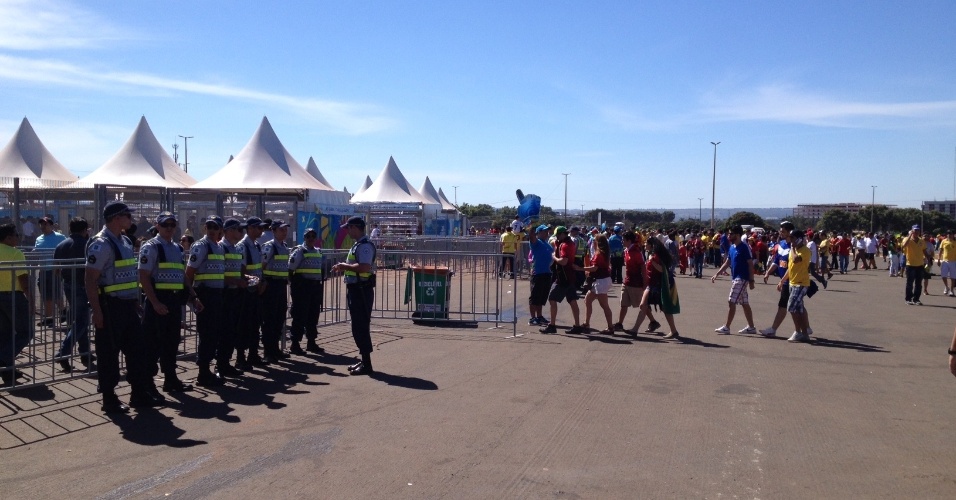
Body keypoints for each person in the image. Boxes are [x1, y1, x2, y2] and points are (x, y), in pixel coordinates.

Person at [86, 201, 161, 412]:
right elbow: (90, 279)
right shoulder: (101, 244)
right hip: (110, 307)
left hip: (127, 306)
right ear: (117, 218)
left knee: (137, 351)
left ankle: (138, 394)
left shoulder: (125, 242)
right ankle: (109, 399)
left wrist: (134, 300)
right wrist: (97, 311)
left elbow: (127, 275)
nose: (131, 219)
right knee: (109, 353)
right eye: (128, 215)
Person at [138, 212, 193, 392]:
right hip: (158, 300)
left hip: (174, 300)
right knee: (152, 345)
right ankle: (148, 384)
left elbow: (182, 276)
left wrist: (193, 297)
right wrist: (154, 302)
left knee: (171, 342)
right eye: (165, 224)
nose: (169, 228)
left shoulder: (177, 248)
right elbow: (143, 276)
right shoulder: (151, 247)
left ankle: (170, 379)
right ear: (157, 226)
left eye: (172, 224)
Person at [184, 215, 226, 387]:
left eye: (215, 227)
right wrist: (193, 297)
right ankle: (203, 372)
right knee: (207, 334)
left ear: (220, 230)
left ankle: (207, 369)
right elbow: (189, 274)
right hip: (205, 294)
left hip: (217, 294)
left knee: (214, 334)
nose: (211, 230)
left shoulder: (218, 247)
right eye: (209, 226)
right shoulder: (201, 246)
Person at [332, 216, 377, 375]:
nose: (347, 231)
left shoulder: (364, 246)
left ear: (356, 228)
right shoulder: (358, 245)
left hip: (361, 290)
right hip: (356, 289)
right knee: (357, 326)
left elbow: (365, 267)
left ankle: (367, 364)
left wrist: (345, 266)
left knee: (361, 327)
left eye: (349, 228)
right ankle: (364, 360)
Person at [53, 217, 94, 372]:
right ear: (84, 230)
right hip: (83, 286)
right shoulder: (87, 245)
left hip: (68, 285)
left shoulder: (61, 245)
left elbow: (56, 269)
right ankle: (63, 352)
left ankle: (85, 354)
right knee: (82, 322)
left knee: (79, 319)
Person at [0, 224, 33, 387]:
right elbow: (23, 279)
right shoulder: (15, 253)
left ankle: (8, 371)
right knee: (26, 331)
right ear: (8, 238)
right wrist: (31, 299)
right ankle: (3, 359)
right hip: (13, 296)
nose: (18, 238)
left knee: (5, 335)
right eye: (16, 235)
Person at [235, 217, 268, 368]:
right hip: (246, 291)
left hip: (256, 290)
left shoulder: (256, 245)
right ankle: (240, 358)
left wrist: (262, 282)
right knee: (244, 325)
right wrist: (253, 282)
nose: (261, 231)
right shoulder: (243, 246)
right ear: (249, 229)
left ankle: (253, 355)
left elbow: (259, 267)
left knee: (255, 323)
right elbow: (241, 270)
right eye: (258, 228)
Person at [711, 225, 756, 334]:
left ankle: (727, 327)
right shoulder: (732, 247)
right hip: (735, 278)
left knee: (731, 301)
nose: (729, 235)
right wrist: (717, 273)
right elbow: (727, 262)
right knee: (745, 303)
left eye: (731, 234)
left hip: (742, 279)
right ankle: (751, 327)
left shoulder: (744, 247)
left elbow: (750, 264)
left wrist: (751, 280)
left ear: (738, 235)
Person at [539, 226, 584, 334]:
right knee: (572, 300)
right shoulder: (569, 243)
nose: (557, 238)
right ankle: (577, 325)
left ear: (563, 234)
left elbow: (563, 261)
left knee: (552, 298)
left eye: (558, 236)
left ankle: (552, 325)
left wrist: (554, 256)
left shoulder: (565, 245)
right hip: (570, 276)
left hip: (563, 278)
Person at [217, 218, 248, 376]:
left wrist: (245, 279)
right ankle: (221, 364)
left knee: (232, 330)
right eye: (237, 229)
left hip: (235, 292)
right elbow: (217, 274)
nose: (240, 232)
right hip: (225, 293)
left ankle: (226, 362)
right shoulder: (221, 248)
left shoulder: (236, 248)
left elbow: (237, 270)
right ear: (229, 230)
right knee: (225, 330)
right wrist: (236, 281)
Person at [288, 227, 325, 355]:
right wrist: (295, 285)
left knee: (313, 316)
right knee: (299, 316)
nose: (311, 239)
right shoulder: (300, 251)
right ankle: (295, 344)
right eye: (308, 236)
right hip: (302, 288)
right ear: (304, 238)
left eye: (313, 236)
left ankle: (311, 342)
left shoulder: (318, 251)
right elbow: (290, 269)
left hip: (315, 287)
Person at [260, 219, 291, 363]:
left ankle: (275, 349)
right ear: (273, 231)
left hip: (281, 286)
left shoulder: (284, 246)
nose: (284, 232)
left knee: (279, 319)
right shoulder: (269, 246)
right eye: (281, 230)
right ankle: (268, 352)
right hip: (271, 286)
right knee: (270, 320)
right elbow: (262, 266)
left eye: (285, 230)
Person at [639, 237, 681, 340]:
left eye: (646, 243)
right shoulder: (651, 255)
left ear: (651, 245)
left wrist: (652, 261)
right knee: (644, 305)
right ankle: (654, 322)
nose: (644, 245)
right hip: (652, 285)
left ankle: (673, 330)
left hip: (659, 286)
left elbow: (663, 269)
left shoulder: (655, 256)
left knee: (664, 308)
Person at [778, 230, 813, 343]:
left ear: (799, 239)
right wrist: (782, 280)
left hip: (801, 284)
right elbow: (790, 267)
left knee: (791, 307)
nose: (791, 240)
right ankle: (805, 334)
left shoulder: (805, 250)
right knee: (799, 309)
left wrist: (793, 248)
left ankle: (798, 332)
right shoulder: (793, 251)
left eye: (792, 238)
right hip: (792, 282)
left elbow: (796, 260)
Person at [579, 233, 614, 333]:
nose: (593, 242)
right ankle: (586, 323)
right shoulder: (602, 253)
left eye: (594, 240)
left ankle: (610, 327)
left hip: (601, 281)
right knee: (588, 300)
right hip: (600, 280)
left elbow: (594, 268)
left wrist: (580, 268)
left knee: (604, 305)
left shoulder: (599, 254)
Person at [34, 216, 66, 326]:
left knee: (55, 294)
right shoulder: (39, 239)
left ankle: (63, 311)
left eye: (45, 224)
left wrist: (61, 265)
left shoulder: (60, 237)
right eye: (41, 224)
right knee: (45, 295)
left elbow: (65, 249)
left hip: (55, 270)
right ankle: (49, 318)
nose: (43, 226)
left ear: (51, 226)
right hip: (43, 270)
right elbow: (36, 253)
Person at [526, 224, 553, 326]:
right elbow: (531, 236)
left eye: (547, 231)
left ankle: (539, 316)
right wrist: (531, 225)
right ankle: (533, 318)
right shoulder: (536, 242)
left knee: (541, 297)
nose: (547, 233)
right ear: (539, 233)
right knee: (534, 297)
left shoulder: (547, 243)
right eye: (544, 231)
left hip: (547, 273)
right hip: (537, 273)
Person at [901, 225, 930, 305]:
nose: (917, 232)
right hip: (910, 264)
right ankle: (908, 299)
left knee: (918, 283)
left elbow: (924, 251)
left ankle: (916, 299)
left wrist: (928, 259)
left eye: (918, 230)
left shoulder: (921, 241)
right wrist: (910, 235)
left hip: (920, 265)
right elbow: (903, 246)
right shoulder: (907, 239)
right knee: (909, 283)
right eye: (915, 230)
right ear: (912, 231)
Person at [937, 230, 956, 297]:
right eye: (948, 234)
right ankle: (946, 287)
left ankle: (951, 290)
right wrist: (939, 259)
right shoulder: (944, 241)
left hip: (953, 261)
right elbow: (940, 251)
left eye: (950, 234)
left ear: (953, 235)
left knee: (953, 277)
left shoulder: (955, 242)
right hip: (945, 261)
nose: (949, 235)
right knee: (943, 275)